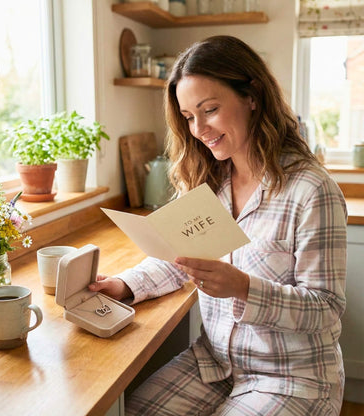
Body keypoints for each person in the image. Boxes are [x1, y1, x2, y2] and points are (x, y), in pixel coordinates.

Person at [89, 36, 347, 415]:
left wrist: (244, 287)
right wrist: (124, 284)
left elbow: (326, 307)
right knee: (135, 409)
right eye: (189, 117)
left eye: (209, 109)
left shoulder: (311, 190)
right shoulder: (208, 180)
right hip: (215, 364)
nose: (199, 129)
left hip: (292, 375)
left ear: (252, 95)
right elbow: (177, 256)